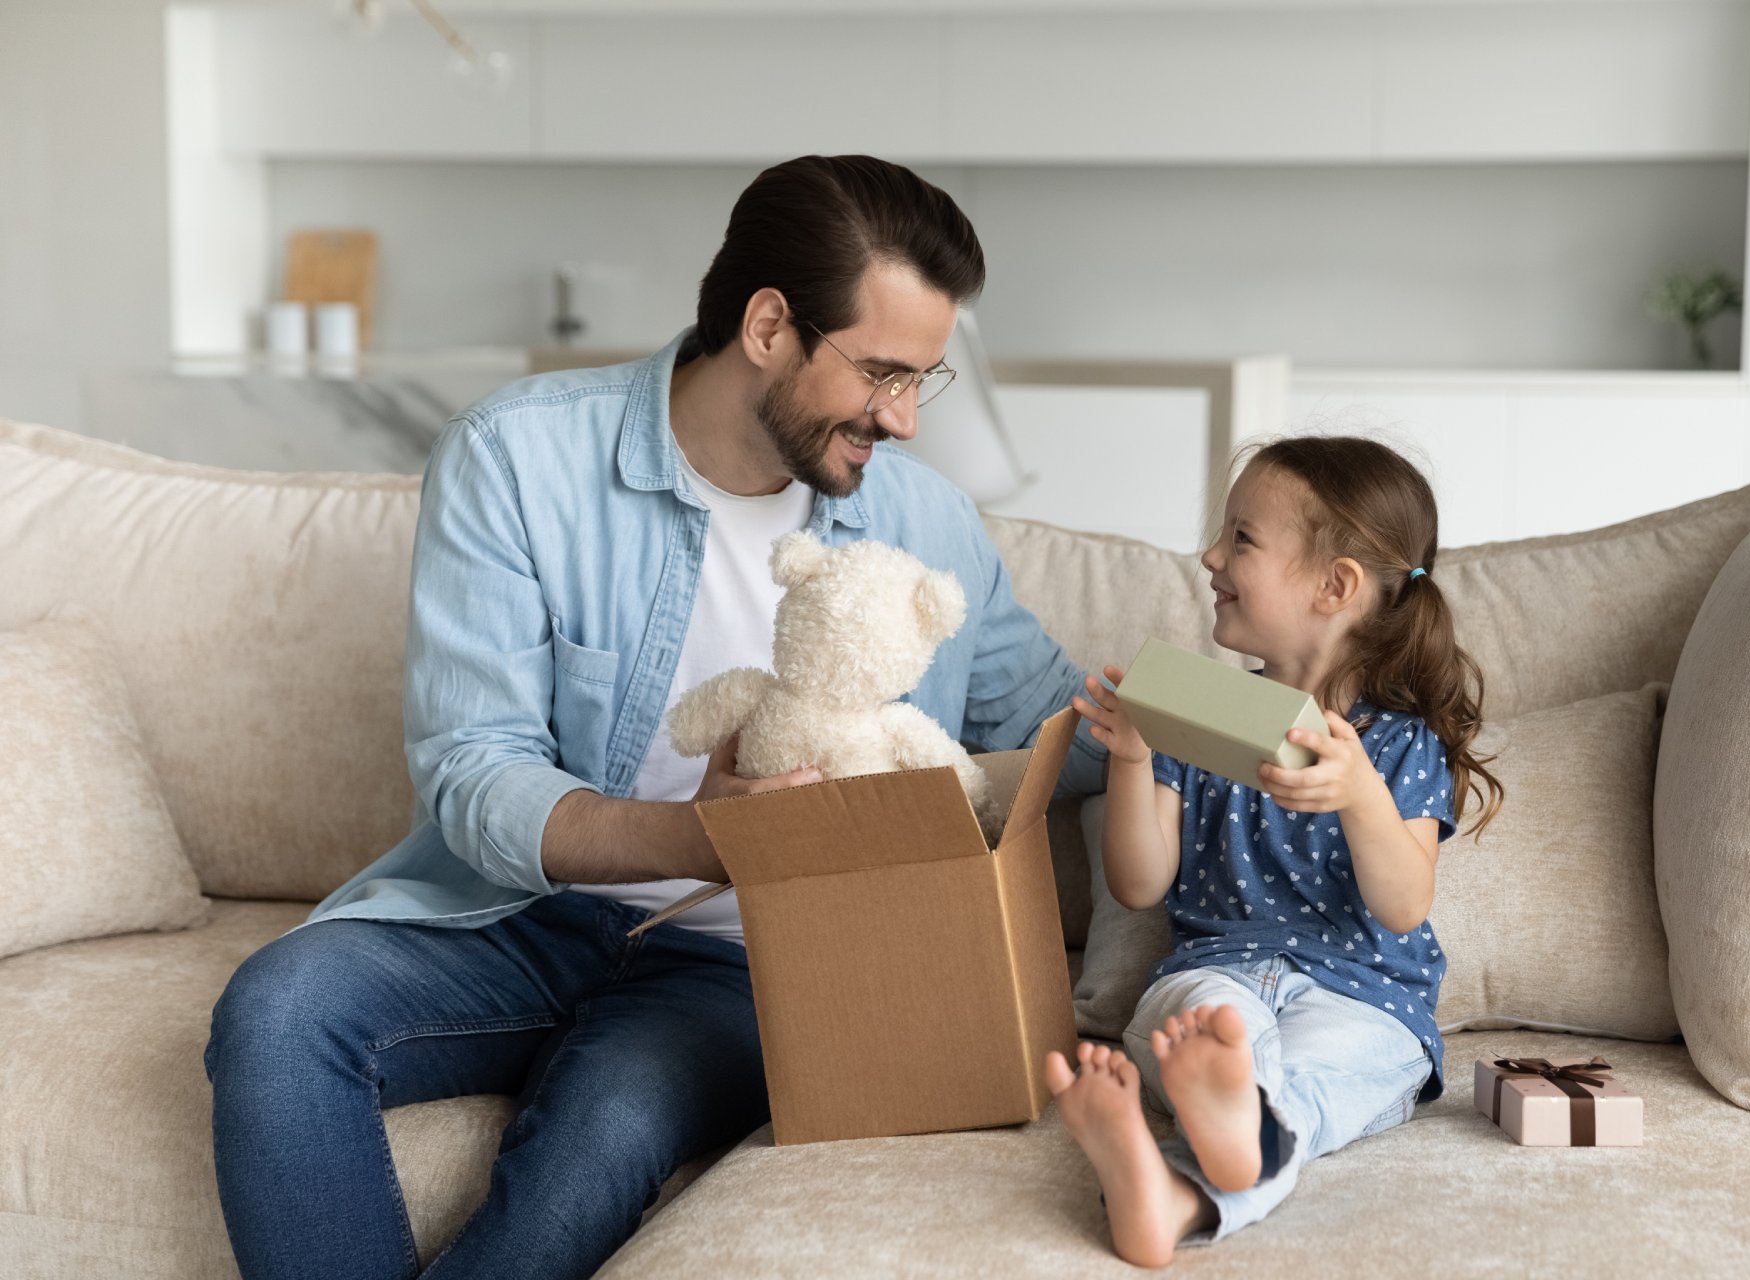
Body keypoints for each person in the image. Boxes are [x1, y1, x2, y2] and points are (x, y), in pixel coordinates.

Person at [202, 154, 1104, 1280]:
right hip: (518, 913)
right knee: (279, 1012)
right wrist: (697, 836)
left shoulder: (930, 525)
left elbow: (1060, 727)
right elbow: (475, 772)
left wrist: (1240, 722)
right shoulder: (518, 458)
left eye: (927, 378)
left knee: (603, 1131)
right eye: (881, 372)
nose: (907, 417)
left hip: (743, 964)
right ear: (769, 324)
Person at [1050, 435, 1503, 1267]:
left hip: (1366, 1001)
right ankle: (1223, 1129)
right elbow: (1139, 882)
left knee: (1314, 1078)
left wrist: (1360, 793)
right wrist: (1131, 757)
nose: (1210, 554)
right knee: (1211, 1034)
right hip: (1217, 976)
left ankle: (1181, 1183)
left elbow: (1404, 904)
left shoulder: (1399, 746)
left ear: (1335, 587)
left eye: (1242, 539)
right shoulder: (1200, 710)